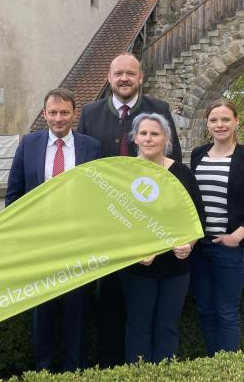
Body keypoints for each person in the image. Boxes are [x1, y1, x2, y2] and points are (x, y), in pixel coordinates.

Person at [76, 52, 181, 367]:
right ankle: (111, 368)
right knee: (107, 301)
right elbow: (83, 167)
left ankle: (147, 368)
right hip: (107, 226)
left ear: (140, 77)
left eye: (130, 73)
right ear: (109, 77)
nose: (124, 78)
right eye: (118, 73)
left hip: (148, 225)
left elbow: (172, 167)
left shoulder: (159, 109)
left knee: (144, 309)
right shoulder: (90, 112)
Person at [5, 88, 101, 372]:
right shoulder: (28, 144)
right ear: (45, 114)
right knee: (42, 311)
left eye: (64, 113)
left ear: (74, 114)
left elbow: (98, 197)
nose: (58, 118)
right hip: (40, 244)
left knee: (78, 310)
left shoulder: (92, 147)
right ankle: (43, 370)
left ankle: (75, 370)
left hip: (78, 243)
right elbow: (14, 195)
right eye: (53, 112)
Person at [119, 113, 202, 364]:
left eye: (155, 134)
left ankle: (165, 374)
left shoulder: (182, 173)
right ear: (135, 138)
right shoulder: (123, 173)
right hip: (137, 265)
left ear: (166, 138)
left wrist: (189, 244)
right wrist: (134, 250)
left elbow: (197, 216)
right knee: (138, 326)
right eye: (143, 133)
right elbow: (115, 220)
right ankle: (138, 375)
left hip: (175, 265)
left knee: (167, 326)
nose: (149, 138)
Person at [189, 99, 244, 356]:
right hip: (199, 246)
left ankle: (226, 367)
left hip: (232, 248)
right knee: (205, 309)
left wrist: (236, 237)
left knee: (226, 311)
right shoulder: (198, 155)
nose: (219, 125)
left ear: (236, 121)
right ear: (207, 123)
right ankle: (213, 364)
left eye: (225, 119)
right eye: (214, 120)